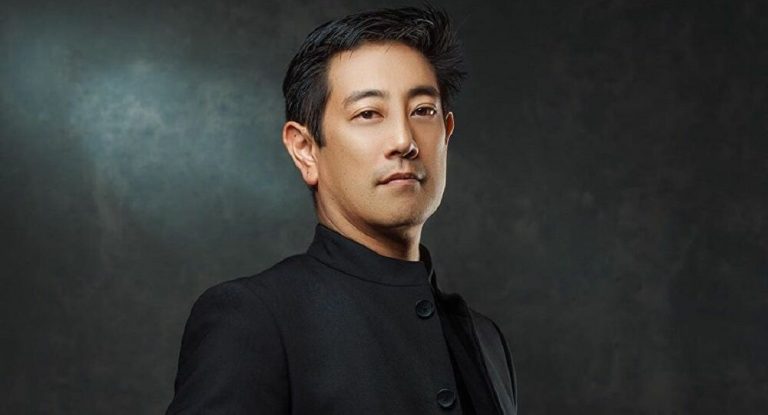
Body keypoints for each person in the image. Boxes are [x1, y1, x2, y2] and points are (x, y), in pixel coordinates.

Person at [166, 4, 518, 414]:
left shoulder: (485, 339)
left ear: (447, 134)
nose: (404, 140)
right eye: (368, 114)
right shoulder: (254, 318)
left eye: (423, 111)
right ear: (305, 149)